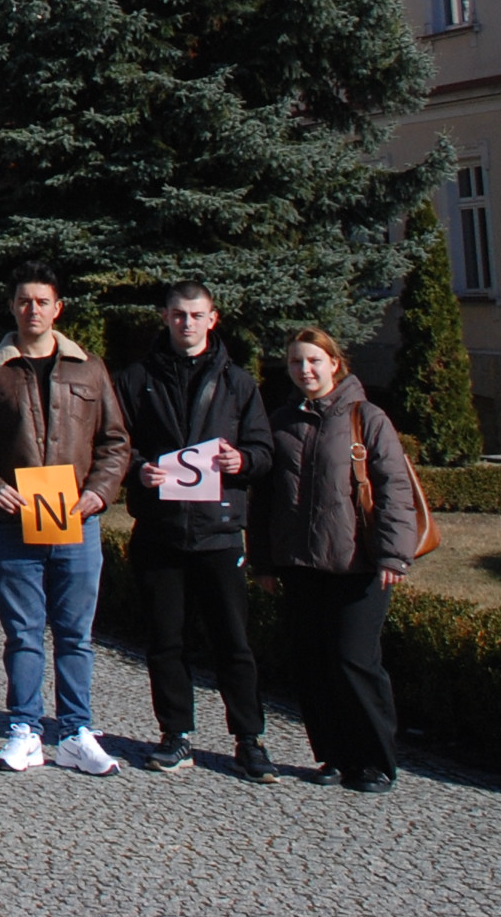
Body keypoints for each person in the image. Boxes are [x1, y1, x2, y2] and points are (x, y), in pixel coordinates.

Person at [0, 268, 132, 776]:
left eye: (42, 301)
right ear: (13, 307)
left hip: (76, 520)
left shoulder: (89, 369)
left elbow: (116, 442)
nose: (33, 309)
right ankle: (25, 728)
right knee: (23, 633)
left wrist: (98, 493)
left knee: (75, 633)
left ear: (58, 308)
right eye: (24, 301)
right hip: (16, 521)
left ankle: (75, 731)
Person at [113, 280, 276, 782]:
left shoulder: (238, 382)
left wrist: (242, 460)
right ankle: (176, 734)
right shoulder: (136, 379)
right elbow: (115, 444)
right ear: (165, 317)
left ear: (213, 318)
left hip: (219, 532)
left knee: (233, 642)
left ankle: (248, 739)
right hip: (160, 530)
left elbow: (264, 450)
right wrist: (138, 469)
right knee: (166, 641)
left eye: (197, 315)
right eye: (179, 314)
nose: (187, 323)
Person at [253, 328, 420, 794]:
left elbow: (394, 489)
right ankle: (331, 754)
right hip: (299, 564)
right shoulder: (282, 421)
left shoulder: (366, 418)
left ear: (334, 363)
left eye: (313, 361)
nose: (304, 370)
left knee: (354, 661)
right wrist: (264, 561)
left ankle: (375, 760)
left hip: (357, 564)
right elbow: (265, 498)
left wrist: (392, 554)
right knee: (312, 663)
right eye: (295, 362)